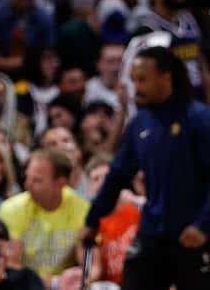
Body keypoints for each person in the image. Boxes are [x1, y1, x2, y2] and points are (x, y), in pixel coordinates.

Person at [82, 46, 210, 290]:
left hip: (193, 234)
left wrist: (203, 225)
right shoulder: (139, 123)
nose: (136, 87)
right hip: (152, 231)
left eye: (142, 79)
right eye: (133, 80)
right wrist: (93, 220)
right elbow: (117, 175)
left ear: (166, 77)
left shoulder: (198, 118)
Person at [0, 147, 90, 283]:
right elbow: (12, 265)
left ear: (60, 183)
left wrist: (79, 281)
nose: (27, 185)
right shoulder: (11, 209)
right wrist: (53, 283)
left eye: (37, 181)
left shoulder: (82, 209)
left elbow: (90, 266)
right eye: (27, 177)